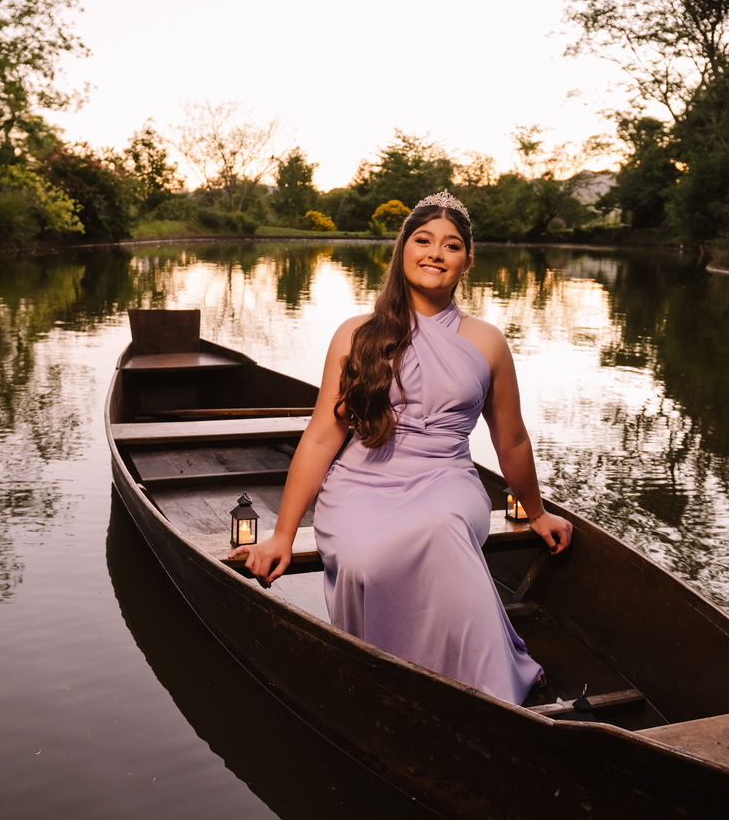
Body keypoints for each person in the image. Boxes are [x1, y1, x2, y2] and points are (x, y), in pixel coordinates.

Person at [234, 190, 573, 704]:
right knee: (364, 558)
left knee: (441, 528)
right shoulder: (356, 334)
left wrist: (538, 512)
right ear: (402, 249)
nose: (436, 253)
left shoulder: (487, 342)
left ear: (466, 262)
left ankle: (488, 691)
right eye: (424, 240)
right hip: (362, 481)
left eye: (451, 245)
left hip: (447, 480)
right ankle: (387, 684)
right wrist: (282, 534)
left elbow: (512, 438)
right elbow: (323, 436)